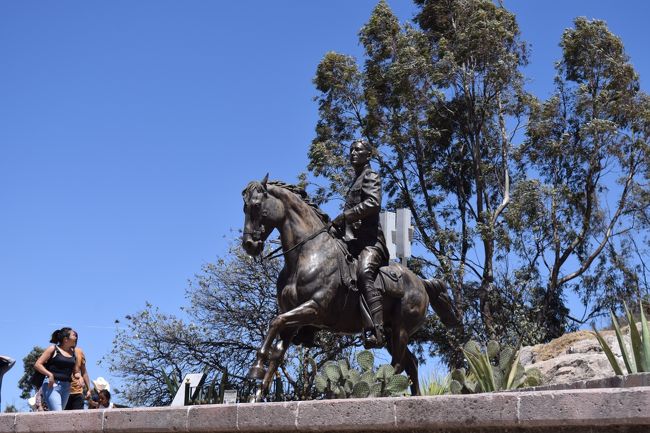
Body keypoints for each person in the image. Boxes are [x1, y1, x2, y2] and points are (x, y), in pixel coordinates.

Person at [332, 139, 389, 347]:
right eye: (351, 149)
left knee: (364, 273)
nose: (352, 153)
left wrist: (346, 216)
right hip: (353, 243)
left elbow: (373, 203)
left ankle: (376, 328)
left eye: (358, 150)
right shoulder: (354, 181)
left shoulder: (371, 176)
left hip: (371, 242)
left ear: (368, 155)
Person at [34, 327, 83, 411]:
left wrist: (80, 377)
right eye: (74, 335)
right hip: (52, 386)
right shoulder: (53, 349)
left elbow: (75, 371)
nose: (76, 337)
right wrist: (49, 374)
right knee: (58, 412)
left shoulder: (73, 352)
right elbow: (37, 364)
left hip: (67, 387)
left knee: (59, 416)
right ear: (66, 339)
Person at [65, 343, 92, 410]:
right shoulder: (60, 351)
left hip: (77, 392)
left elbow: (84, 372)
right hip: (63, 391)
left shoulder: (79, 352)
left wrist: (88, 389)